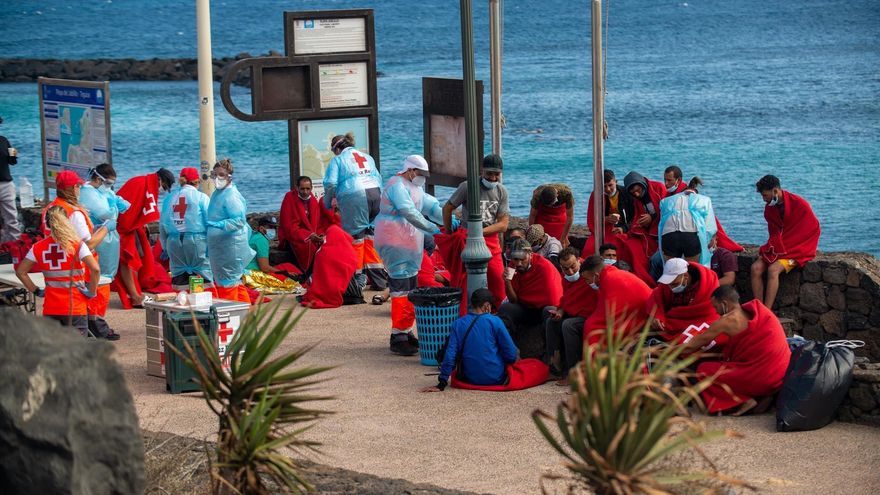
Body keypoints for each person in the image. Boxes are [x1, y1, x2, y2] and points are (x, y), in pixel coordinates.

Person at [374, 155, 444, 356]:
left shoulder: (415, 188)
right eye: (421, 174)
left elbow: (430, 206)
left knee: (409, 288)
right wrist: (433, 228)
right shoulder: (396, 185)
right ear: (411, 170)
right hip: (394, 241)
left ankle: (405, 331)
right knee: (400, 290)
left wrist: (447, 219)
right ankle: (398, 336)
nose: (423, 178)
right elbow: (409, 212)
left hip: (408, 244)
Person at [685, 286, 791, 415]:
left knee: (704, 369)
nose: (715, 311)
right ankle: (763, 396)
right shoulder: (759, 310)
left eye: (715, 306)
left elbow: (692, 346)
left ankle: (743, 401)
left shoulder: (727, 321)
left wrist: (665, 350)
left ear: (724, 303)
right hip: (782, 374)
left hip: (763, 376)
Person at [440, 154, 510, 310]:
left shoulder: (501, 191)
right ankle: (465, 316)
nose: (492, 178)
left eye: (496, 174)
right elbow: (448, 208)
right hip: (466, 239)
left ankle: (498, 316)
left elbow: (504, 224)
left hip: (490, 241)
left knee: (498, 282)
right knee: (464, 281)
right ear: (482, 171)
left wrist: (479, 232)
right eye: (489, 173)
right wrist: (449, 231)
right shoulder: (467, 186)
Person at [16, 206, 99, 336]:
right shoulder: (77, 245)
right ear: (67, 221)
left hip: (51, 307)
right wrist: (91, 292)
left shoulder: (38, 247)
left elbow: (21, 272)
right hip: (75, 306)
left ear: (47, 224)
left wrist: (35, 290)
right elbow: (95, 269)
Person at [322, 132, 388, 291]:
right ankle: (379, 281)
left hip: (354, 196)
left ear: (337, 149)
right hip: (376, 194)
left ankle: (356, 281)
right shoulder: (367, 157)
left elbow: (330, 183)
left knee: (356, 239)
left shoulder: (338, 160)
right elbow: (379, 178)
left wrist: (327, 202)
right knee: (371, 236)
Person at [751, 175, 821, 310]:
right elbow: (775, 234)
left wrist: (790, 247)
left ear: (776, 191)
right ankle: (758, 308)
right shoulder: (770, 208)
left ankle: (767, 311)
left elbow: (813, 229)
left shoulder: (800, 204)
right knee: (755, 268)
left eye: (765, 195)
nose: (763, 199)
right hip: (780, 249)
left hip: (798, 253)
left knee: (773, 270)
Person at [79, 164, 130, 340]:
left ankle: (96, 322)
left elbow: (121, 207)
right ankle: (96, 324)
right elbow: (105, 213)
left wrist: (114, 199)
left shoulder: (100, 191)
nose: (109, 187)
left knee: (104, 282)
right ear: (98, 179)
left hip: (107, 239)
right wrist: (114, 205)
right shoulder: (88, 193)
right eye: (108, 183)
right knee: (98, 282)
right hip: (98, 239)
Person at [114, 167, 175, 307]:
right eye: (163, 187)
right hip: (124, 228)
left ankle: (135, 293)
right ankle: (135, 295)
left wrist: (140, 224)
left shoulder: (141, 182)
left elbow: (135, 207)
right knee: (127, 261)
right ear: (160, 180)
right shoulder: (143, 184)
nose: (161, 190)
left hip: (129, 227)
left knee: (134, 261)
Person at [544, 247, 597, 385]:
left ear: (579, 261)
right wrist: (560, 311)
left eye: (573, 266)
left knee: (569, 325)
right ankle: (555, 368)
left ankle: (573, 372)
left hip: (589, 315)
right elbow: (566, 299)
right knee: (551, 321)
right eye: (565, 269)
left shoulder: (589, 274)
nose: (570, 272)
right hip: (573, 312)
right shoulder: (566, 277)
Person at [206, 158, 255, 303]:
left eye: (221, 175)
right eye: (214, 175)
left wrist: (219, 225)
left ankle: (230, 318)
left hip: (229, 248)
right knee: (235, 284)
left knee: (227, 286)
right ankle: (246, 316)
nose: (217, 179)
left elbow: (239, 221)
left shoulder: (231, 196)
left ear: (229, 176)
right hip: (221, 247)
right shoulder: (218, 193)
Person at [497, 239, 562, 344]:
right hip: (525, 308)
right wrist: (507, 282)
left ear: (530, 255)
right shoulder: (512, 266)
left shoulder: (544, 267)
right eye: (515, 259)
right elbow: (513, 300)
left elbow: (554, 299)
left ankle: (552, 353)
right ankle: (510, 348)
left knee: (549, 311)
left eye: (522, 259)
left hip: (542, 309)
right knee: (505, 308)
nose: (518, 263)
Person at [650, 258, 724, 349]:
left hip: (698, 320)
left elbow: (709, 311)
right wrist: (657, 315)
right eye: (668, 284)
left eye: (674, 284)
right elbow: (657, 296)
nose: (670, 287)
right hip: (672, 320)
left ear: (685, 276)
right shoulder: (669, 284)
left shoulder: (708, 285)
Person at [580, 255, 653, 347]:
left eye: (587, 279)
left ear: (596, 275)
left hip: (644, 314)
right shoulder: (611, 274)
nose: (587, 283)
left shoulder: (609, 279)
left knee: (591, 326)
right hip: (641, 311)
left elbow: (609, 314)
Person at [159, 167, 212, 291]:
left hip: (173, 242)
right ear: (197, 181)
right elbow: (210, 221)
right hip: (197, 242)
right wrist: (211, 247)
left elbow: (162, 224)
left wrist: (165, 248)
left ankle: (182, 306)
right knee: (204, 280)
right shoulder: (201, 197)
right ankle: (201, 307)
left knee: (180, 281)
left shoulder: (169, 198)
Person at [278, 175, 337, 273]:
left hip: (310, 234)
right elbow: (289, 226)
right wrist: (308, 235)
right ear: (297, 188)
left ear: (311, 188)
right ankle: (309, 273)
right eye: (302, 189)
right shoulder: (289, 198)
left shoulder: (312, 200)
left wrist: (320, 235)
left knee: (327, 243)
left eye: (307, 189)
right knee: (308, 245)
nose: (305, 192)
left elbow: (317, 224)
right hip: (295, 236)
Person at [619, 171, 667, 286]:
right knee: (630, 245)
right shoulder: (637, 200)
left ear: (642, 185)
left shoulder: (658, 188)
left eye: (638, 190)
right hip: (649, 232)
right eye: (633, 192)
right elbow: (637, 217)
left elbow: (667, 209)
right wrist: (631, 228)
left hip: (663, 231)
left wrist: (652, 217)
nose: (636, 194)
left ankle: (649, 282)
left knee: (653, 260)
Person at [657, 176, 717, 266]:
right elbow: (710, 227)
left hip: (669, 237)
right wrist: (709, 241)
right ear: (695, 192)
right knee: (693, 270)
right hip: (691, 237)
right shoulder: (704, 200)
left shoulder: (665, 201)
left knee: (671, 271)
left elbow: (661, 224)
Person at [585, 169, 632, 256]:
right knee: (590, 247)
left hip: (623, 229)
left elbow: (635, 217)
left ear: (616, 182)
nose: (608, 189)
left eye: (610, 185)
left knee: (623, 245)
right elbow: (591, 219)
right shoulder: (596, 195)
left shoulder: (627, 193)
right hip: (604, 229)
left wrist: (623, 228)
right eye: (604, 186)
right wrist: (605, 219)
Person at [0, 116, 21, 243]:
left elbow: (12, 161)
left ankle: (14, 248)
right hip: (6, 184)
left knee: (12, 220)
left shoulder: (3, 141)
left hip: (6, 184)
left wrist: (14, 155)